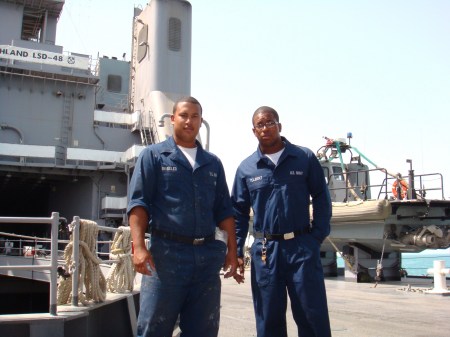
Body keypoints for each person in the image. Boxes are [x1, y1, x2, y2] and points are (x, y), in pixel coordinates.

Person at [127, 96, 240, 337]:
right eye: (184, 115)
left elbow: (224, 211)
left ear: (201, 121)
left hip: (207, 258)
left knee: (203, 329)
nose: (189, 121)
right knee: (152, 328)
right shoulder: (154, 156)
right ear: (172, 119)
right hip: (166, 256)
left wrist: (232, 251)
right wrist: (138, 247)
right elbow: (138, 204)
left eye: (195, 116)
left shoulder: (213, 163)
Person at [231, 106, 332, 337]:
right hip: (266, 252)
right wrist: (236, 251)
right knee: (269, 320)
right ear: (253, 131)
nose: (265, 128)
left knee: (312, 316)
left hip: (302, 248)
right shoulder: (246, 169)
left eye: (270, 122)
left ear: (279, 126)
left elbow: (321, 197)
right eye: (260, 125)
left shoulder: (304, 158)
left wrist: (316, 236)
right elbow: (237, 212)